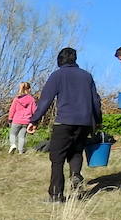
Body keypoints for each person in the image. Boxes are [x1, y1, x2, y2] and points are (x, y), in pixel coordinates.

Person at [28, 47, 101, 202]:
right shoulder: (87, 76)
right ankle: (75, 174)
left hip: (64, 122)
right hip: (84, 122)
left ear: (60, 60)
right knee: (76, 151)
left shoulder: (57, 75)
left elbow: (45, 100)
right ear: (75, 59)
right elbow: (95, 101)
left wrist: (34, 120)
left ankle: (56, 195)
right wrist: (97, 121)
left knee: (57, 158)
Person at [7, 82, 36, 154]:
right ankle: (20, 151)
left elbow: (12, 109)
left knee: (12, 134)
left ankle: (13, 145)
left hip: (16, 120)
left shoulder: (17, 99)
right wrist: (34, 121)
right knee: (22, 136)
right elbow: (34, 111)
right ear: (29, 89)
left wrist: (10, 118)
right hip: (26, 121)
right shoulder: (32, 99)